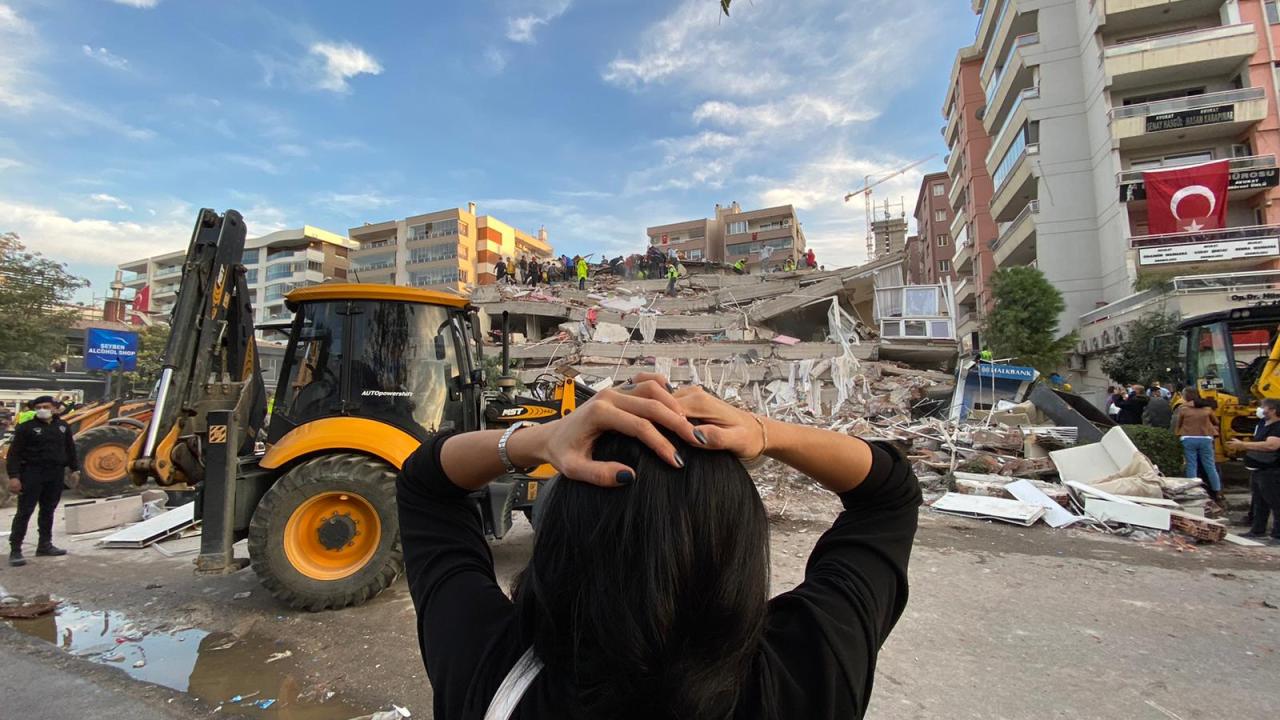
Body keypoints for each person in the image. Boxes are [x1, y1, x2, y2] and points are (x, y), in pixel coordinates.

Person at [398, 375, 920, 719]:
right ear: (738, 544)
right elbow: (888, 494)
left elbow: (426, 484)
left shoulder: (488, 669)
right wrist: (765, 433)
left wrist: (541, 439)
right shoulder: (810, 668)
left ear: (559, 539)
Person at [7, 396, 78, 566]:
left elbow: (70, 449)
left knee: (48, 510)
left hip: (55, 474)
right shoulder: (26, 428)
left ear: (54, 408)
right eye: (38, 407)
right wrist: (14, 476)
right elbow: (14, 454)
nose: (42, 410)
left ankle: (45, 545)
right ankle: (15, 550)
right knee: (25, 511)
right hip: (32, 473)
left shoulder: (62, 426)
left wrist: (74, 469)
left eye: (46, 406)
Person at [1229, 398, 1280, 544]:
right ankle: (1257, 530)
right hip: (1258, 468)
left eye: (1264, 407)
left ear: (1273, 410)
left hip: (1272, 469)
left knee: (1275, 502)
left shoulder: (1277, 427)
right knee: (1259, 502)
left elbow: (1271, 445)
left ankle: (1277, 535)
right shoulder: (1263, 424)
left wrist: (1244, 445)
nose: (1261, 410)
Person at [1174, 389, 1223, 505]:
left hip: (1188, 438)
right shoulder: (1207, 409)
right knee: (1210, 466)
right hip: (1205, 438)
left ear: (1185, 397)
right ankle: (1217, 491)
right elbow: (1216, 422)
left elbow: (1179, 424)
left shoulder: (1183, 409)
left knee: (1191, 465)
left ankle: (1193, 490)